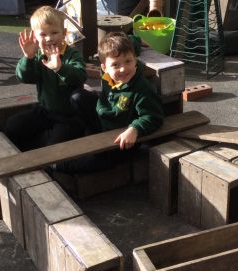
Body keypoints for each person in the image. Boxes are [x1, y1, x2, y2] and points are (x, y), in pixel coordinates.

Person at [57, 32, 164, 173]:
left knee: (95, 162)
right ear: (104, 68)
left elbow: (154, 117)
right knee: (77, 97)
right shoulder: (108, 75)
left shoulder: (142, 89)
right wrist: (136, 39)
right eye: (115, 64)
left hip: (123, 138)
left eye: (128, 61)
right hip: (105, 120)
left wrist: (135, 129)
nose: (123, 68)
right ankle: (88, 133)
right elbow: (128, 41)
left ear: (135, 59)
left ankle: (58, 166)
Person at [4, 6, 86, 152]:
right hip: (44, 111)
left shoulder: (72, 55)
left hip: (69, 116)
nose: (49, 38)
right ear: (35, 37)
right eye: (43, 34)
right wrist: (28, 58)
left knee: (55, 146)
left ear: (64, 33)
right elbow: (24, 77)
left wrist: (60, 68)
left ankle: (47, 142)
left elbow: (80, 75)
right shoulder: (37, 55)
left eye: (54, 32)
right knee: (12, 126)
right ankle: (40, 141)